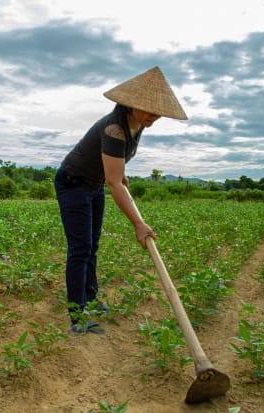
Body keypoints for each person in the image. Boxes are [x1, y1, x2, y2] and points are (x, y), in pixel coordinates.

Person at [54, 66, 188, 334]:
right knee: (80, 249)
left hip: (94, 183)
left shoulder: (138, 124)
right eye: (149, 110)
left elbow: (114, 170)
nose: (154, 116)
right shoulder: (114, 128)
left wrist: (120, 175)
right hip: (74, 183)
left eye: (158, 112)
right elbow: (114, 182)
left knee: (92, 246)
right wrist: (139, 224)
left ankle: (90, 299)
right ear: (130, 105)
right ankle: (77, 316)